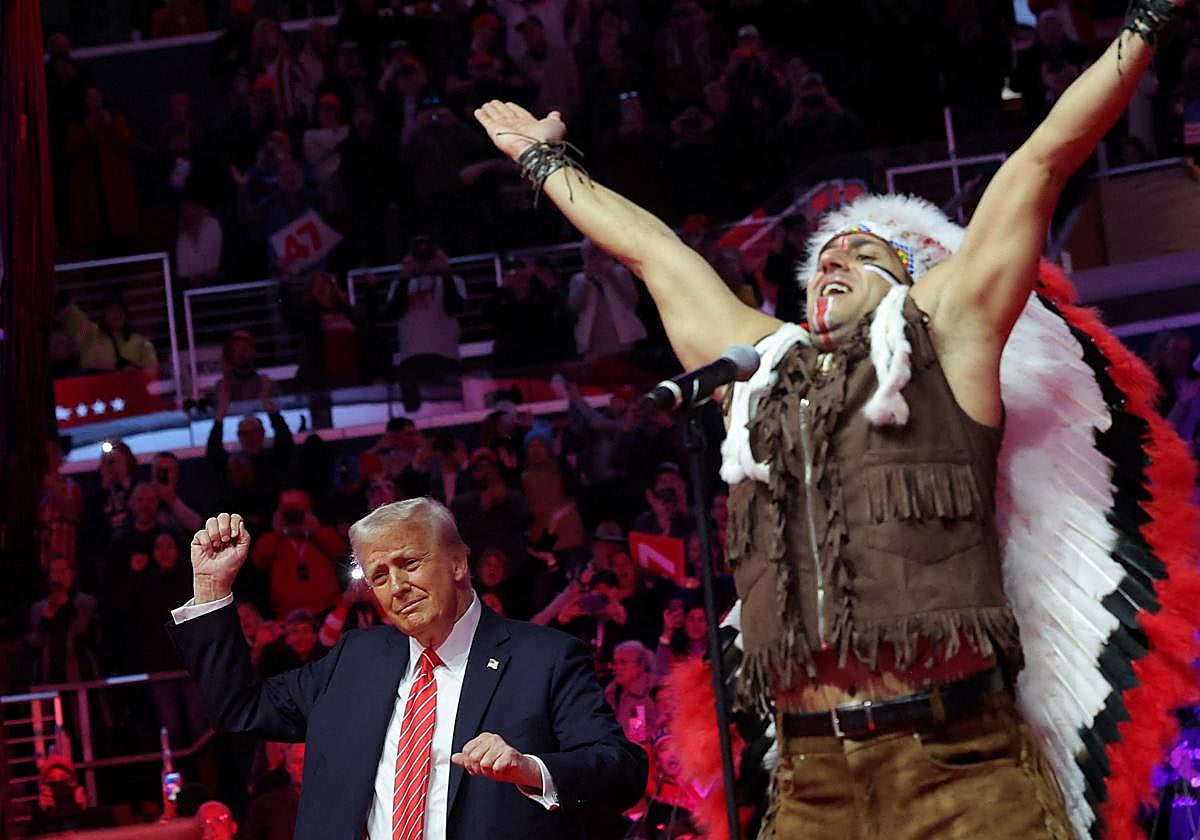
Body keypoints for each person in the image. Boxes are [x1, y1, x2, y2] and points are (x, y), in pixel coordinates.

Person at [472, 7, 1191, 831]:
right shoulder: (757, 365)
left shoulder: (947, 340)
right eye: (822, 259)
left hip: (958, 760)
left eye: (863, 251)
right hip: (810, 776)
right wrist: (542, 160)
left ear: (916, 280)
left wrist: (1144, 21)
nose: (835, 258)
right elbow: (653, 253)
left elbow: (1042, 160)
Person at [169, 501, 647, 838]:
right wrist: (211, 587)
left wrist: (531, 769)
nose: (396, 586)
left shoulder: (545, 658)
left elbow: (622, 772)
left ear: (459, 562)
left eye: (410, 563)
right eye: (379, 575)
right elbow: (240, 710)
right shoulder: (354, 660)